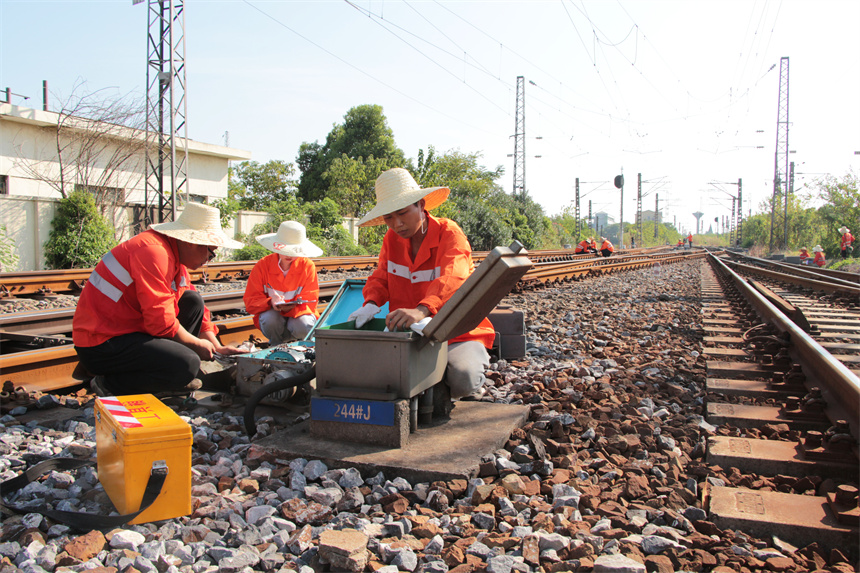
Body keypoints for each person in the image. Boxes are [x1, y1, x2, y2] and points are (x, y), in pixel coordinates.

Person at [347, 167, 495, 406]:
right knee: (380, 376)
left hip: (457, 334)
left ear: (421, 205)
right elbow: (382, 276)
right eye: (388, 218)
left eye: (402, 213)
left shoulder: (450, 233)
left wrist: (423, 309)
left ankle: (462, 384)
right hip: (410, 333)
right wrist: (371, 303)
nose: (397, 224)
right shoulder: (391, 239)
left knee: (463, 378)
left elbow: (454, 277)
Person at [73, 202, 249, 397]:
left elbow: (194, 308)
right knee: (188, 363)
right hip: (102, 343)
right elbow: (160, 322)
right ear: (192, 242)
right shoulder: (153, 251)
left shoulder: (174, 257)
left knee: (192, 301)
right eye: (211, 251)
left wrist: (216, 347)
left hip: (129, 330)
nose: (210, 258)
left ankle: (169, 371)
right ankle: (109, 384)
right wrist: (196, 345)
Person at [244, 221, 322, 345]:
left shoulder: (307, 266)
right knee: (270, 319)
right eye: (285, 249)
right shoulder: (263, 265)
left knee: (304, 323)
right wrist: (270, 302)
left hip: (297, 319)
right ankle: (275, 345)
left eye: (293, 250)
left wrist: (288, 309)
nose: (289, 254)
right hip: (273, 319)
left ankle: (302, 345)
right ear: (277, 246)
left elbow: (311, 302)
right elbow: (251, 302)